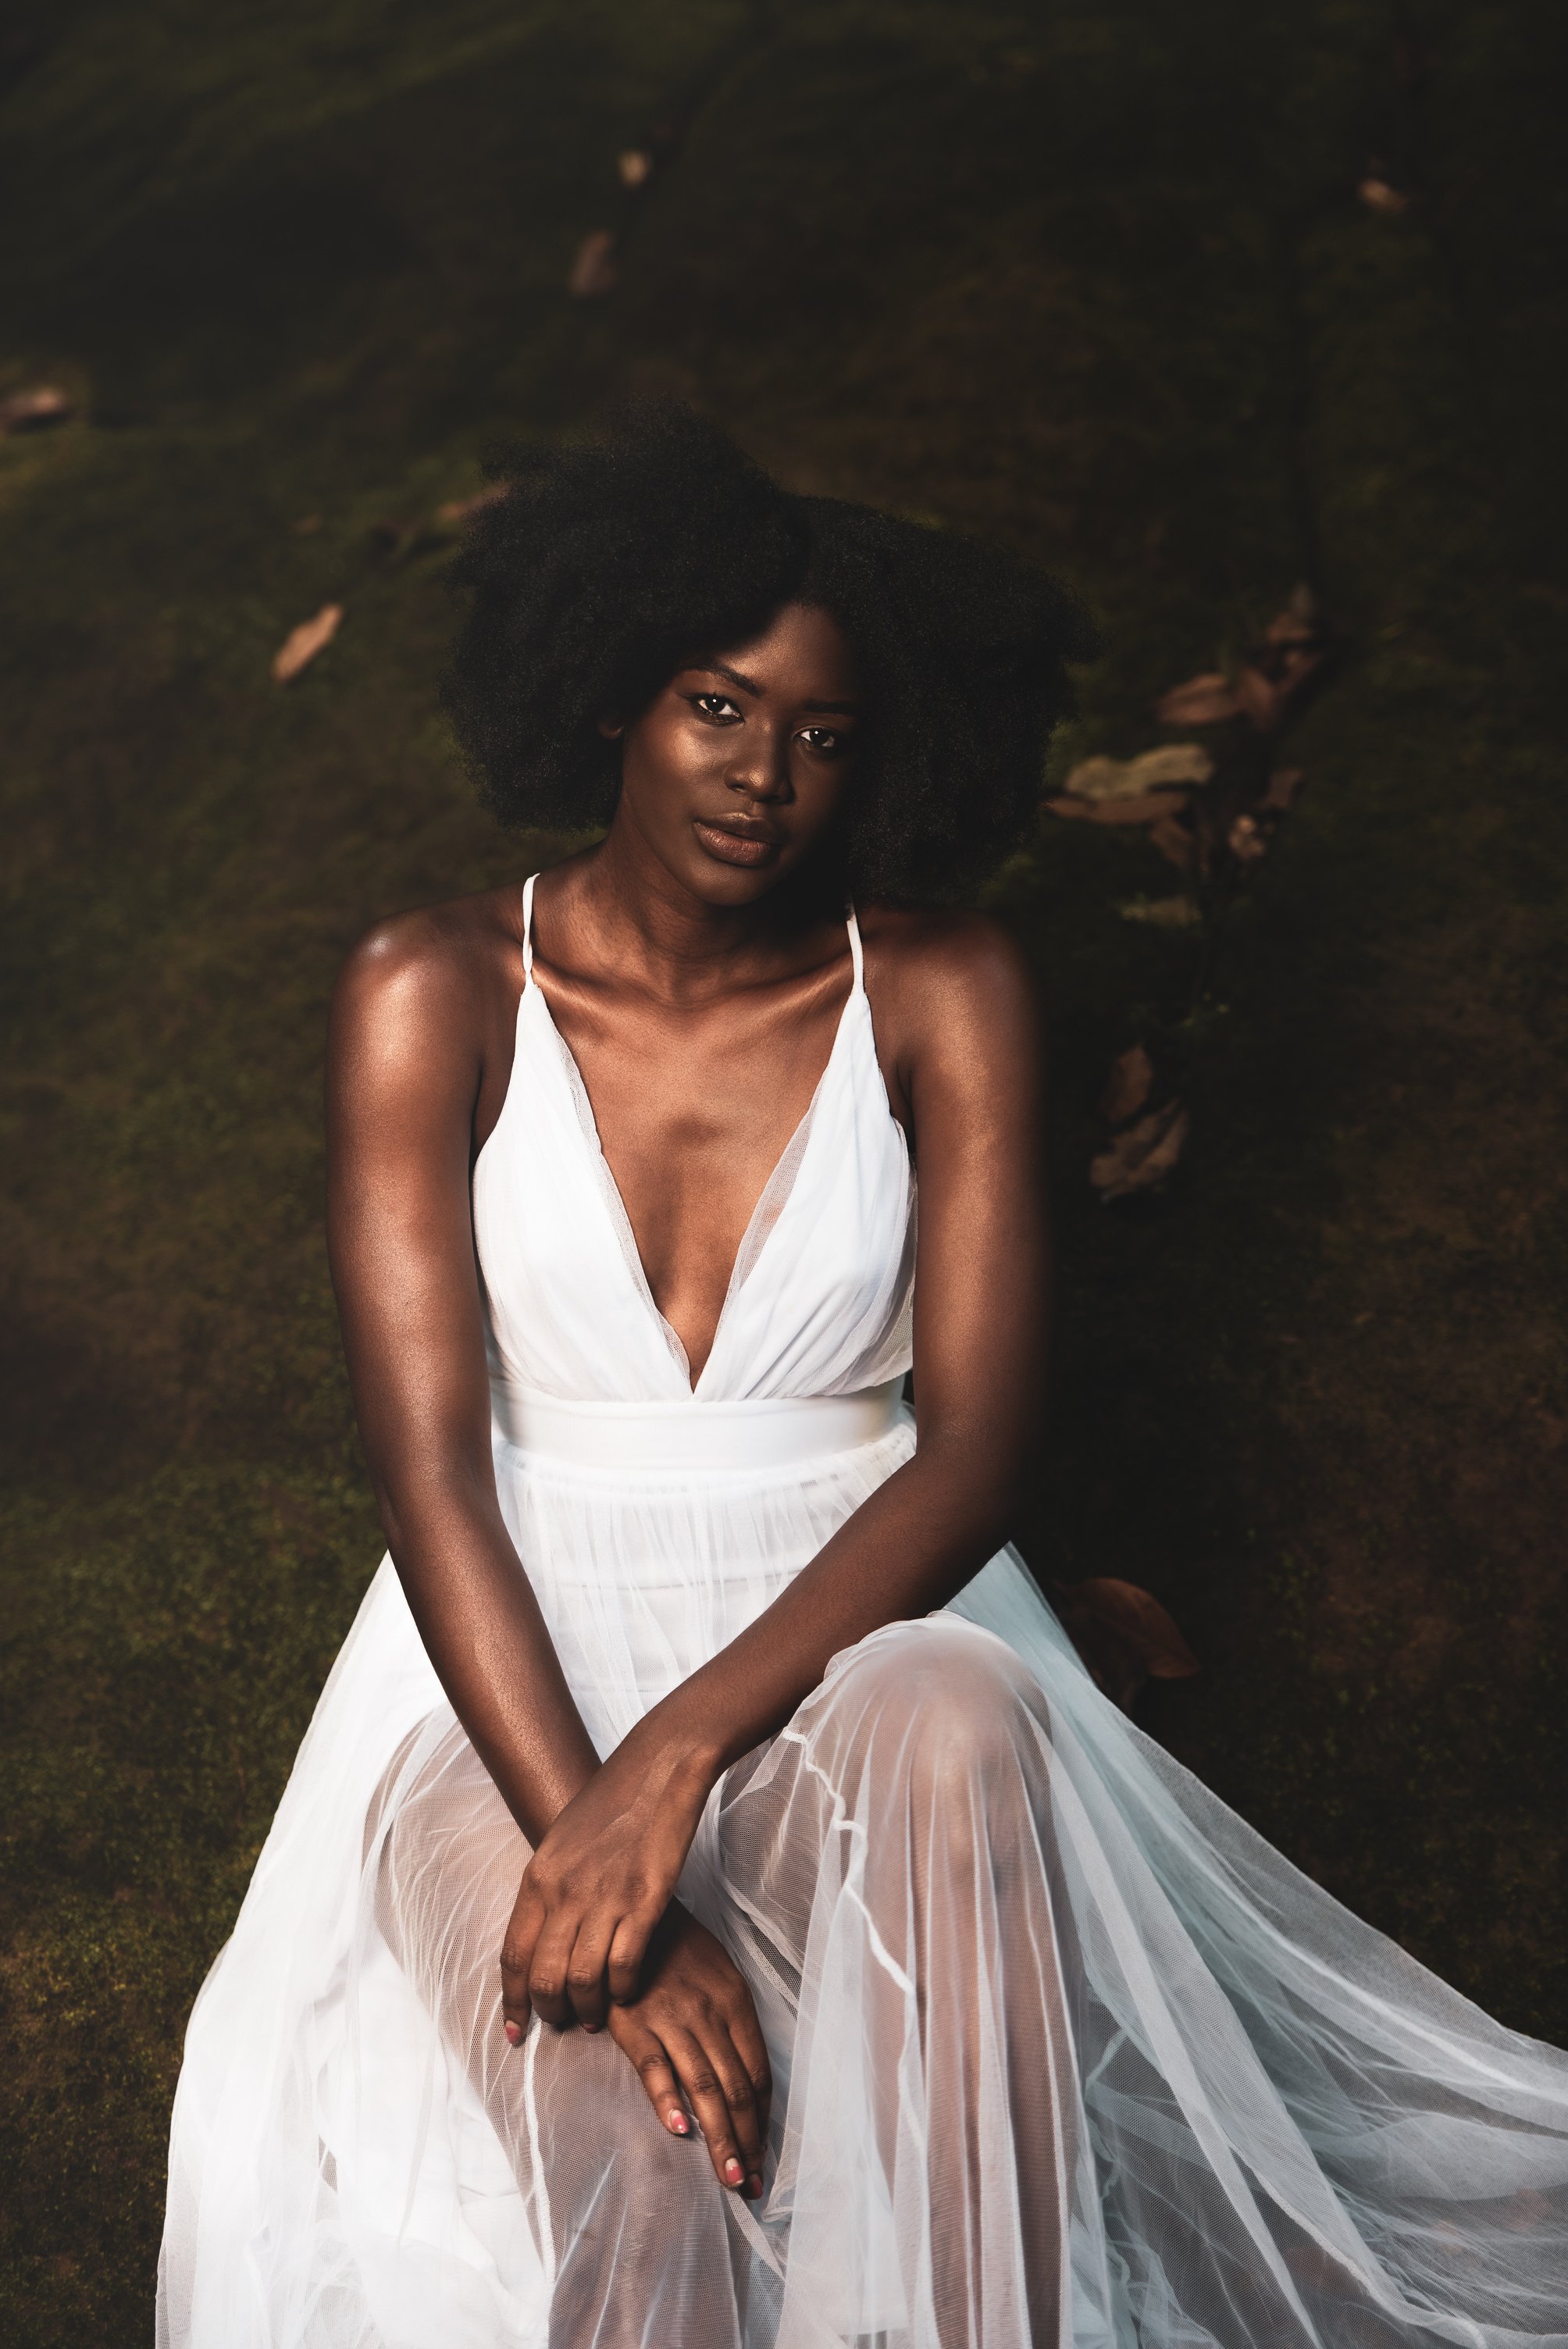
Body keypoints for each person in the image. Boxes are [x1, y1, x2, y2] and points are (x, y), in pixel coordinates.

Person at [159, 409, 1568, 2349]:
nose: (761, 775)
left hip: (861, 1632)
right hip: (510, 1686)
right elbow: (428, 1478)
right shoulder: (429, 988)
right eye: (713, 706)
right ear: (607, 702)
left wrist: (683, 1762)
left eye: (820, 734)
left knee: (961, 1713)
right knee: (652, 2139)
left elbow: (973, 1449)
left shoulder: (941, 985)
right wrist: (604, 1831)